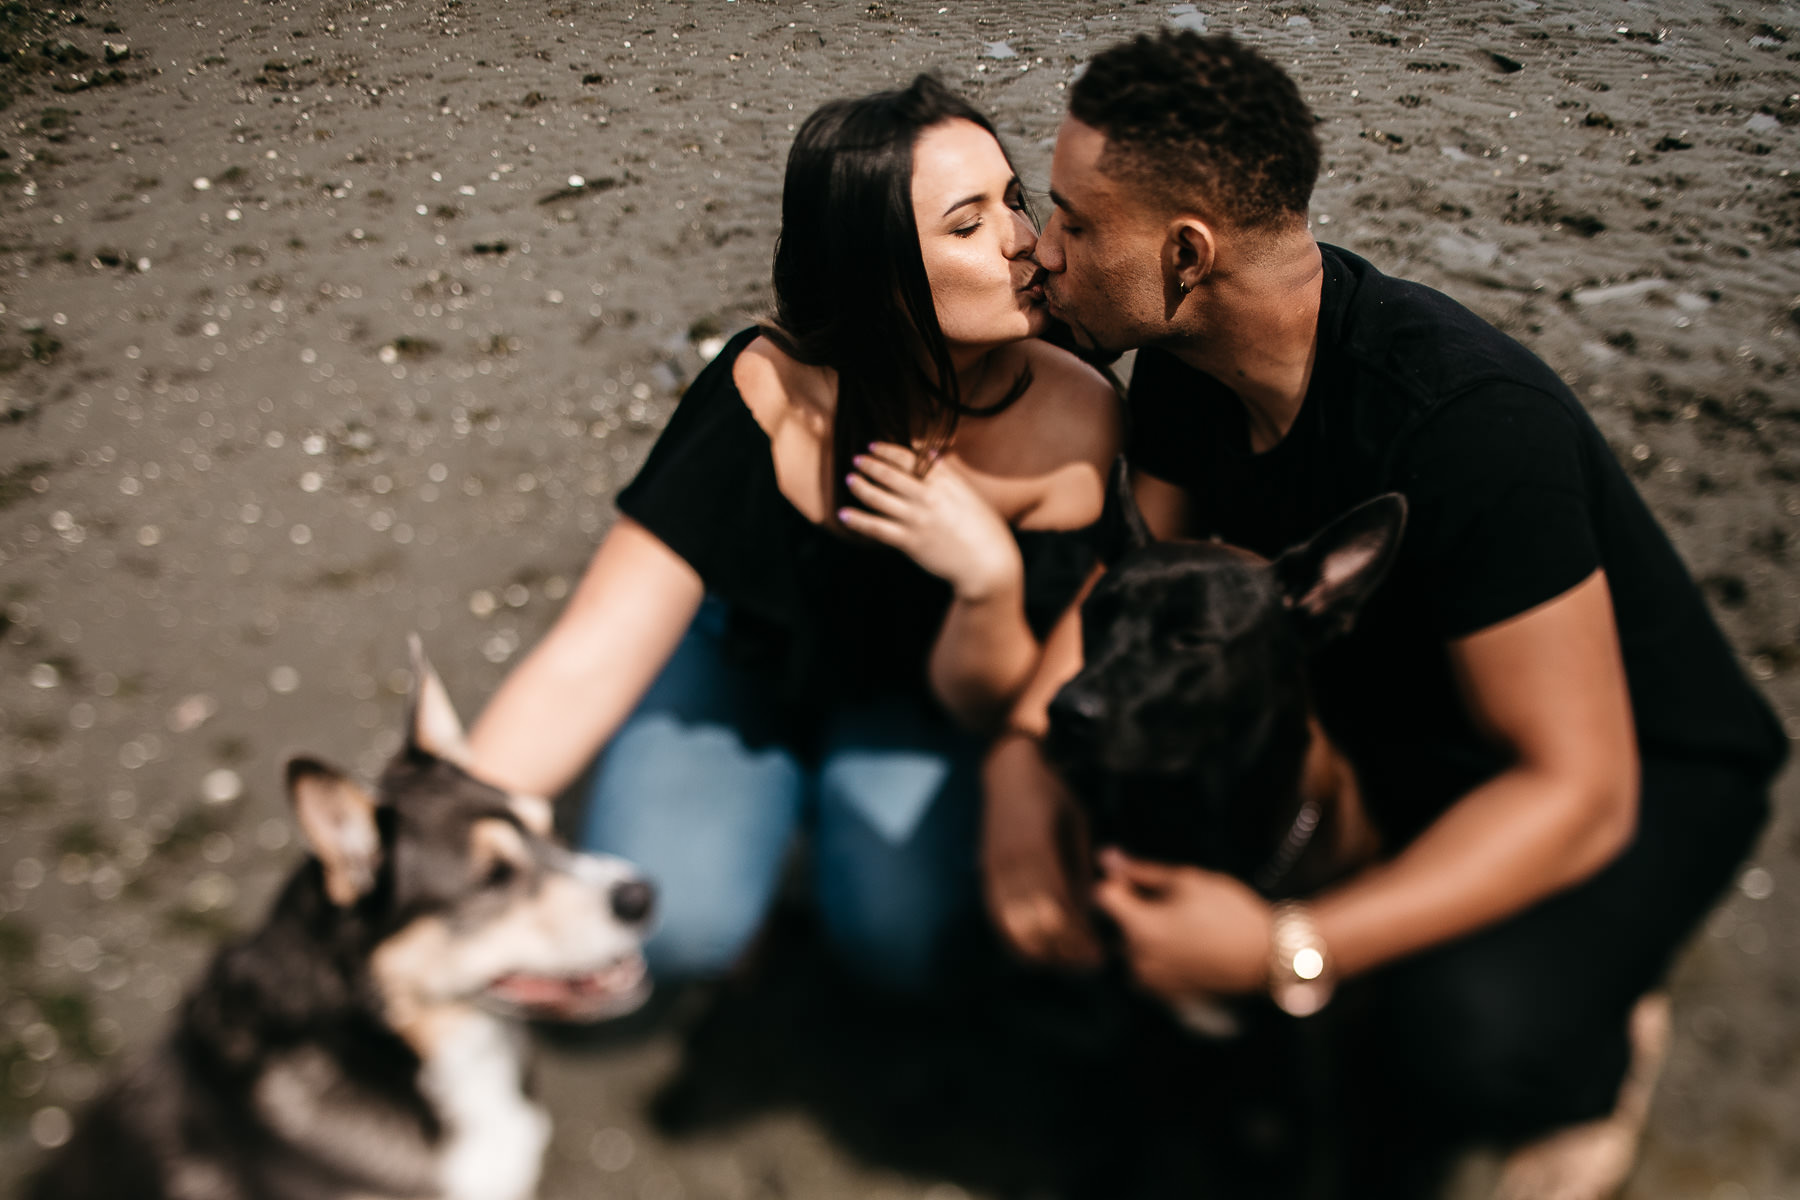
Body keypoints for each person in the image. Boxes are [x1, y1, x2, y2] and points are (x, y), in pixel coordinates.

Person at [982, 29, 1787, 1198]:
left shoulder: (1467, 426)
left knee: (1450, 1036)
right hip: (1413, 721)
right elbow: (1134, 591)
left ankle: (1605, 1039)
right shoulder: (1183, 374)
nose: (1042, 252)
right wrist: (1020, 759)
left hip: (1628, 768)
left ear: (1186, 253)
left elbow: (1578, 785)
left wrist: (1280, 951)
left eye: (1072, 219)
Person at [465, 75, 1119, 996]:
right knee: (676, 928)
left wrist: (989, 581)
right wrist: (444, 824)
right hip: (742, 667)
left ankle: (816, 842)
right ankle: (748, 839)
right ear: (878, 271)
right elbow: (591, 651)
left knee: (904, 942)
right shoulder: (765, 389)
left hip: (918, 704)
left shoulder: (1077, 422)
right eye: (967, 225)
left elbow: (992, 707)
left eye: (1013, 200)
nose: (1025, 241)